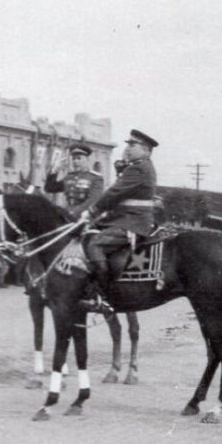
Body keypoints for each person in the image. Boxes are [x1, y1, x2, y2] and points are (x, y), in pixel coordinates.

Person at [80, 129, 158, 314]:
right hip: (126, 219)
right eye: (128, 144)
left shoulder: (139, 168)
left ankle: (104, 296)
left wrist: (91, 212)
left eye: (133, 145)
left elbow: (114, 193)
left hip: (132, 222)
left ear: (146, 150)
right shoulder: (140, 166)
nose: (128, 148)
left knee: (95, 245)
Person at [44, 142, 105, 217]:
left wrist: (74, 212)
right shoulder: (69, 177)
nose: (75, 162)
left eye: (79, 158)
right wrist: (55, 170)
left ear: (87, 159)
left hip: (85, 216)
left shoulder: (95, 178)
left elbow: (92, 200)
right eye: (73, 159)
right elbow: (50, 188)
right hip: (68, 214)